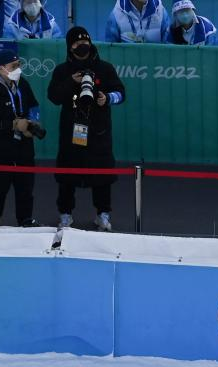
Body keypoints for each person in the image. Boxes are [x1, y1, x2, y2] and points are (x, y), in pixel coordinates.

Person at [47, 27, 126, 232]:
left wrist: (106, 98)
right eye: (76, 44)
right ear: (69, 47)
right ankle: (65, 215)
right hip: (71, 131)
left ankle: (103, 215)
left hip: (99, 132)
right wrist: (70, 83)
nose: (82, 46)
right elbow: (53, 97)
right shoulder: (62, 71)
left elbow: (121, 94)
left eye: (85, 42)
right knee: (67, 175)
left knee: (102, 176)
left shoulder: (105, 69)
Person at [0, 48, 42, 227]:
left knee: (25, 189)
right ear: (1, 68)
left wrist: (33, 123)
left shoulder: (23, 85)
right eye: (13, 66)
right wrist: (13, 125)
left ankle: (26, 220)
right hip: (1, 151)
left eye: (18, 65)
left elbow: (34, 106)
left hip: (24, 150)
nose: (18, 69)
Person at [105, 0, 170, 43]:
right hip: (127, 63)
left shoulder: (161, 12)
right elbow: (111, 52)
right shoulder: (116, 14)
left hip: (156, 63)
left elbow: (169, 49)